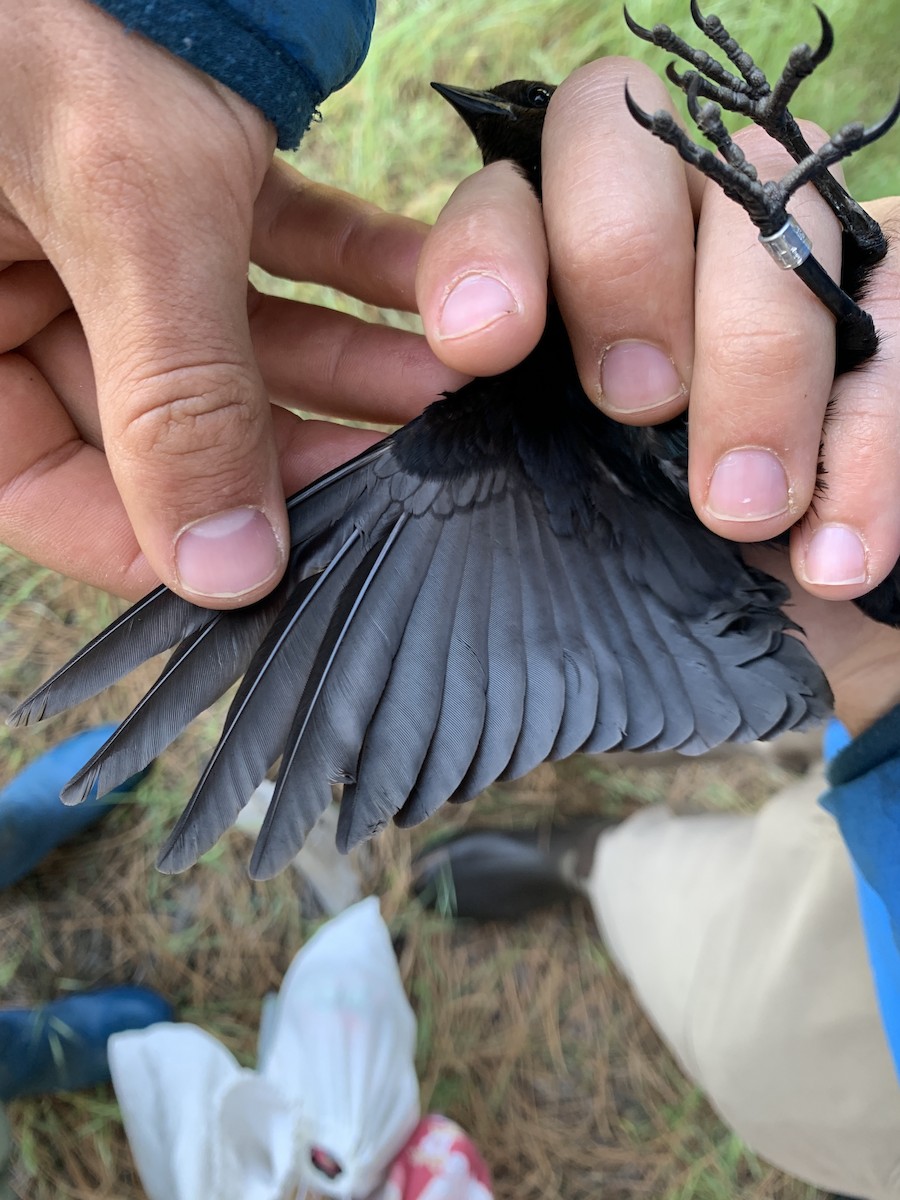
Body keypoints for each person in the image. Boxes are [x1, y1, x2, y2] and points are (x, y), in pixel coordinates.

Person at [1, 1, 899, 1196]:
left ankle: (599, 862)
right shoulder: (502, 423)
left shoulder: (484, 436)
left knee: (758, 1032)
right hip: (840, 650)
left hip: (838, 811)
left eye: (512, 126)